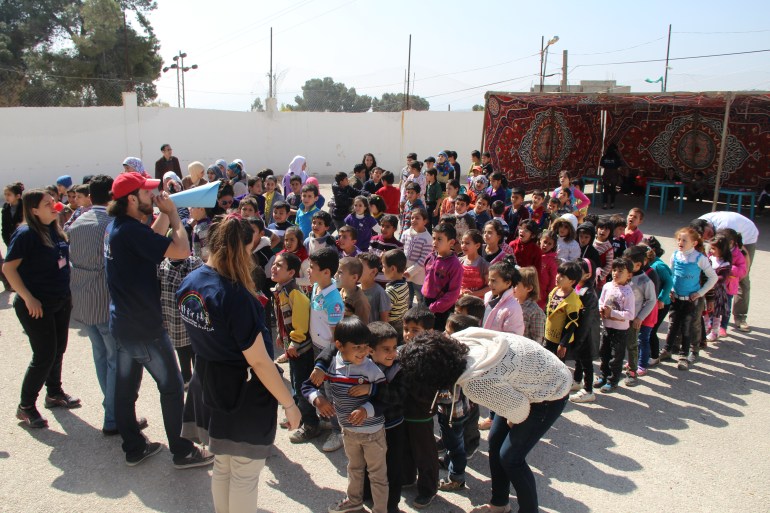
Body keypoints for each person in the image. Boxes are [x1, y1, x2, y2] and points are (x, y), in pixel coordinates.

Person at [177, 214, 300, 512]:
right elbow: (259, 362)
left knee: (222, 466)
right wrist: (289, 404)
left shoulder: (189, 282)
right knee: (244, 474)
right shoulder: (234, 296)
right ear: (241, 249)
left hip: (208, 383)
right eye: (249, 250)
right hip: (240, 393)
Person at [104, 171, 212, 468]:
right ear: (130, 199)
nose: (152, 196)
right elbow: (181, 250)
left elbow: (152, 239)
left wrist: (164, 213)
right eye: (146, 192)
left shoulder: (120, 227)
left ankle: (134, 447)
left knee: (126, 388)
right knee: (173, 387)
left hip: (124, 323)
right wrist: (176, 217)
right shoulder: (130, 231)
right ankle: (183, 451)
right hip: (144, 327)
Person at [399, 328, 571, 513]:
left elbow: (520, 411)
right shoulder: (453, 343)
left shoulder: (475, 383)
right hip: (521, 378)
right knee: (495, 442)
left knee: (511, 458)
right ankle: (499, 505)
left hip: (550, 390)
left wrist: (513, 419)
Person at [69, 175, 143, 435]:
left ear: (90, 196)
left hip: (84, 302)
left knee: (101, 356)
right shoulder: (113, 224)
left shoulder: (77, 222)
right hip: (106, 301)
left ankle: (112, 411)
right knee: (114, 360)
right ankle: (114, 416)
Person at [4, 189, 79, 428]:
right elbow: (8, 269)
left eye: (53, 201)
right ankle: (25, 406)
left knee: (58, 350)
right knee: (44, 355)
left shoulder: (54, 229)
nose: (54, 204)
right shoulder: (26, 233)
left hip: (59, 300)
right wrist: (27, 297)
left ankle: (54, 393)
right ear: (34, 210)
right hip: (36, 305)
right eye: (47, 203)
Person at [303, 318, 388, 513]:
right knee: (354, 469)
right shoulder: (331, 366)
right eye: (357, 347)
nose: (363, 352)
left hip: (373, 433)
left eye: (366, 346)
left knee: (377, 475)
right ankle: (354, 501)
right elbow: (307, 386)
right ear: (339, 346)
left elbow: (385, 397)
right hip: (348, 432)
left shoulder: (372, 370)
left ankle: (381, 509)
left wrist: (366, 408)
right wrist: (318, 400)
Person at [659, 227, 717, 371]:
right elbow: (672, 274)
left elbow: (713, 277)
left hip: (690, 301)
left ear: (694, 243)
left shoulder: (700, 258)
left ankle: (687, 354)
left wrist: (700, 292)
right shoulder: (675, 255)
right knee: (673, 325)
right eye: (679, 239)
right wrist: (671, 290)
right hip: (676, 298)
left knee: (688, 327)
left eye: (685, 240)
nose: (680, 242)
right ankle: (667, 350)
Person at [691, 212, 758, 332]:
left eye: (709, 234)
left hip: (747, 236)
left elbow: (744, 254)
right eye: (705, 238)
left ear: (708, 225)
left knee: (742, 281)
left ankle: (740, 317)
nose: (707, 238)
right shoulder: (698, 224)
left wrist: (743, 272)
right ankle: (711, 321)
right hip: (723, 239)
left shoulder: (726, 228)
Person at [595, 258, 636, 393]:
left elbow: (630, 314)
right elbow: (601, 301)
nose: (615, 273)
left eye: (620, 271)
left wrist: (612, 312)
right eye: (614, 270)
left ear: (629, 275)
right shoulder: (607, 286)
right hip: (607, 326)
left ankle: (612, 381)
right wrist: (601, 309)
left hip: (620, 330)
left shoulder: (628, 292)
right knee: (604, 352)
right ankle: (603, 376)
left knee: (615, 356)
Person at [569, 259, 600, 403]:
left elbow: (587, 318)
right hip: (579, 331)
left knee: (586, 361)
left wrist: (580, 337)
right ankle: (577, 380)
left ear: (587, 275)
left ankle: (588, 390)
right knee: (578, 359)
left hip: (586, 333)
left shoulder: (588, 293)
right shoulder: (576, 287)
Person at [422, 223, 463, 332]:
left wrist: (434, 307)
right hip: (426, 301)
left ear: (451, 242)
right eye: (434, 238)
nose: (435, 242)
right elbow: (427, 278)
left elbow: (453, 294)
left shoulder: (455, 265)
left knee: (436, 336)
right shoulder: (430, 257)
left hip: (441, 308)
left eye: (439, 239)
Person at [544, 261, 583, 359]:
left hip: (559, 341)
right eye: (558, 273)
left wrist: (563, 344)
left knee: (557, 368)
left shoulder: (572, 301)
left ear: (572, 281)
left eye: (562, 276)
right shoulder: (555, 290)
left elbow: (571, 324)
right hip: (548, 336)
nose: (557, 276)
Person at [483, 256, 524, 335]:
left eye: (493, 281)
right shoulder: (488, 297)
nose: (489, 284)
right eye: (489, 280)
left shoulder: (513, 308)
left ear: (508, 283)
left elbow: (513, 336)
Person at [402, 208, 433, 306]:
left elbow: (424, 259)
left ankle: (421, 314)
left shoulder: (427, 238)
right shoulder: (406, 233)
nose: (413, 220)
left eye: (417, 218)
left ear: (425, 221)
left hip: (418, 274)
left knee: (420, 296)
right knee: (407, 296)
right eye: (412, 218)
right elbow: (401, 250)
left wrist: (411, 271)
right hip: (404, 271)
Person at [382, 249, 409, 338]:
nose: (382, 270)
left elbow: (385, 313)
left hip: (392, 325)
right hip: (401, 321)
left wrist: (384, 331)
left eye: (384, 267)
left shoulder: (391, 291)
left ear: (393, 268)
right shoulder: (404, 283)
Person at [358, 252, 392, 323]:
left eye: (360, 268)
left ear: (373, 272)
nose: (356, 271)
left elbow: (384, 321)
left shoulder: (380, 293)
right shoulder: (355, 289)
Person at [600, 143, 622, 209]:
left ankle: (605, 204)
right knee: (613, 189)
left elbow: (601, 166)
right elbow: (619, 167)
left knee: (606, 189)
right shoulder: (617, 157)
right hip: (614, 174)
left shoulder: (604, 157)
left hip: (606, 173)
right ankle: (612, 204)